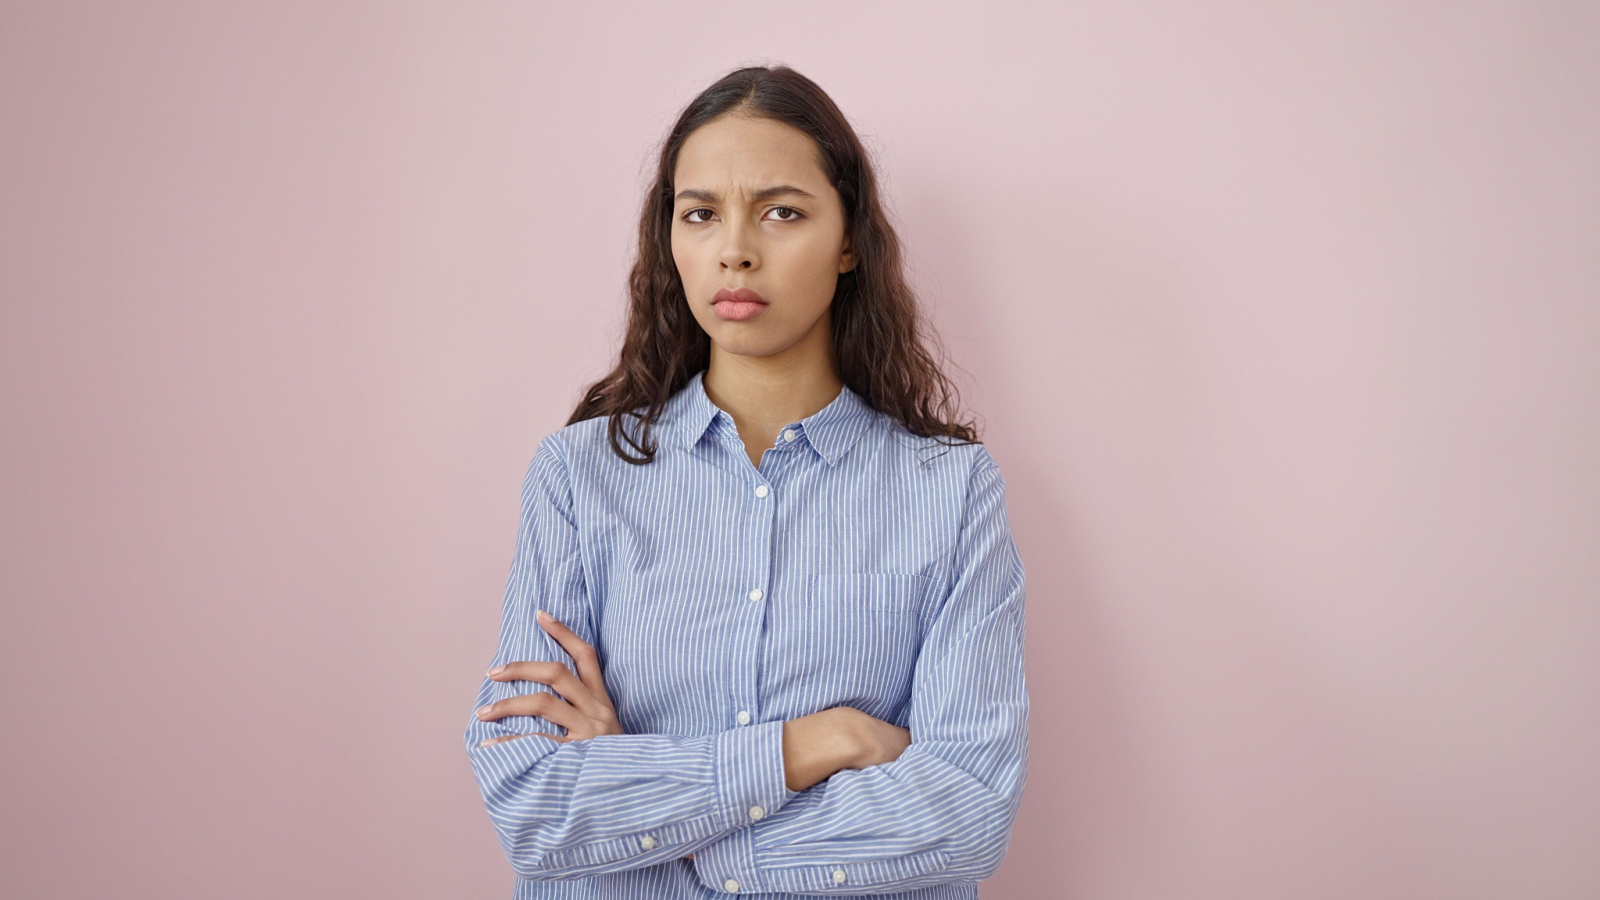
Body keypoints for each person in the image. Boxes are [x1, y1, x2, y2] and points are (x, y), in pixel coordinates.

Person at [464, 64, 1029, 899]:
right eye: (701, 214)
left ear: (848, 241)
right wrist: (815, 744)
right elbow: (533, 808)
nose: (735, 248)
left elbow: (966, 811)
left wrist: (664, 813)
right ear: (672, 240)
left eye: (782, 212)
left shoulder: (948, 491)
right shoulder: (578, 478)